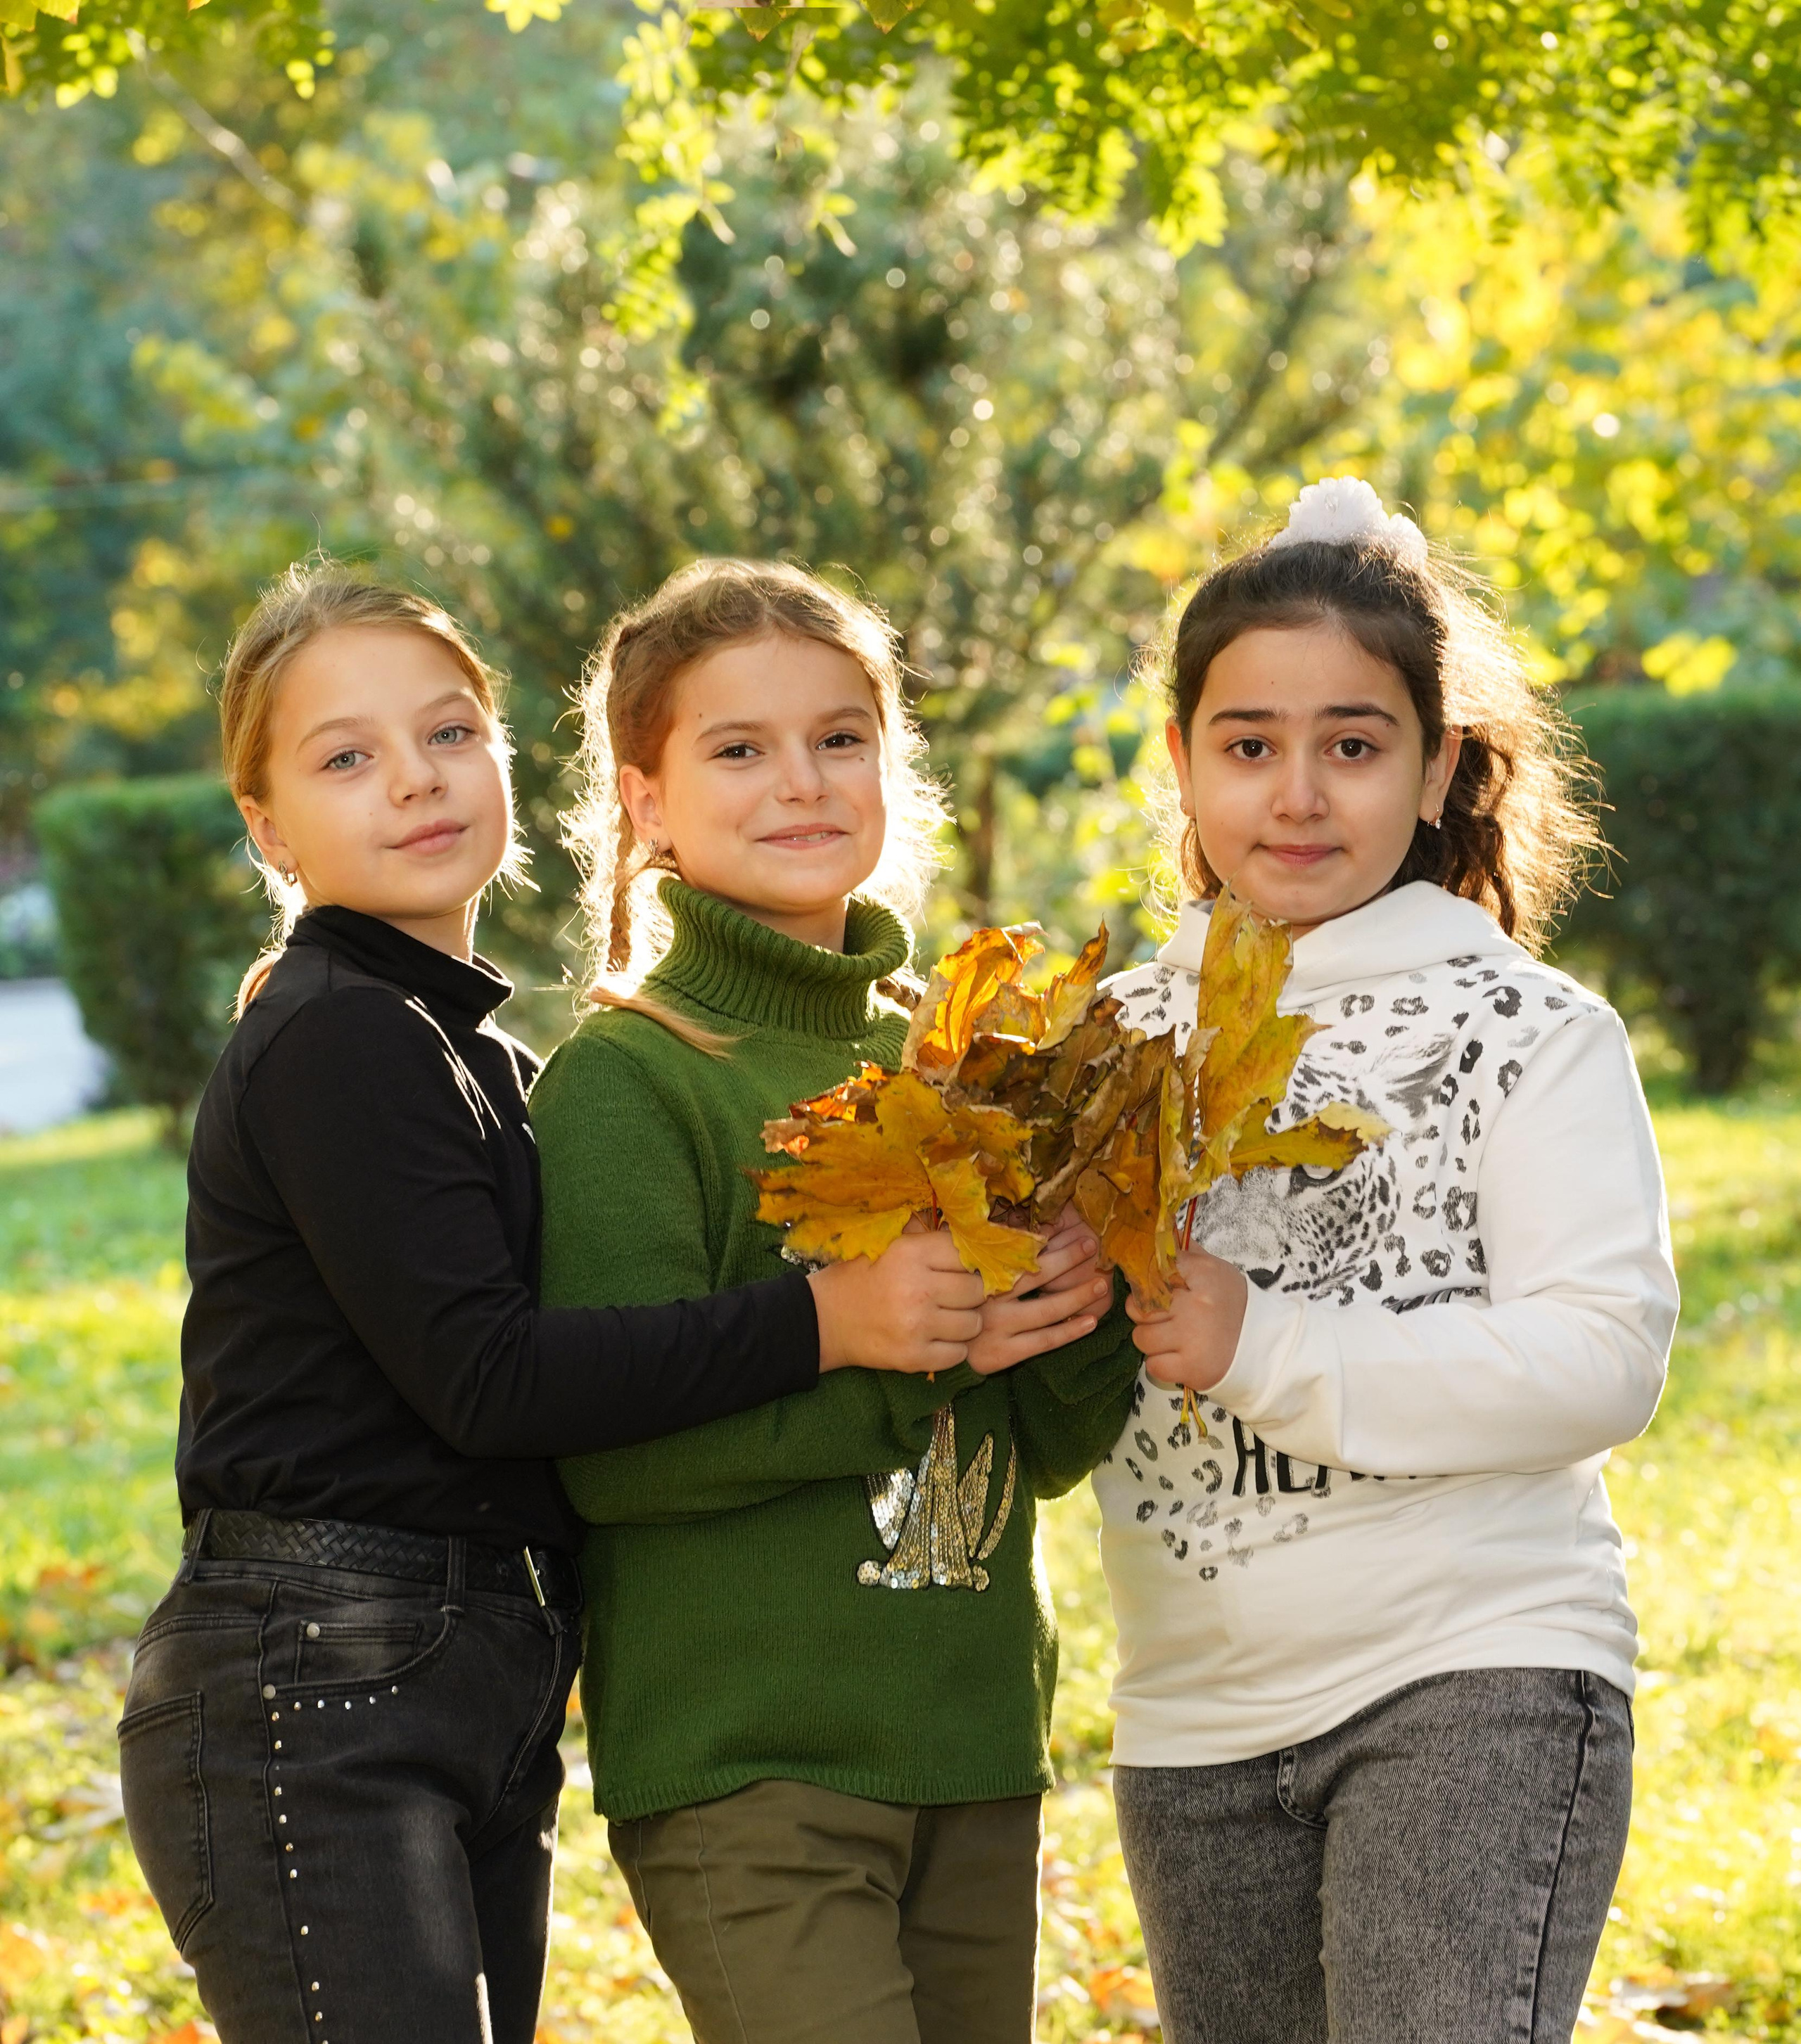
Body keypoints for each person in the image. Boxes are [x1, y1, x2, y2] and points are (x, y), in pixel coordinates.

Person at [117, 562, 1012, 2044]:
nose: (414, 782)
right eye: (348, 759)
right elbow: (489, 1379)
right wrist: (826, 1320)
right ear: (269, 829)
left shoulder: (471, 1054)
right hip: (317, 1677)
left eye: (449, 733)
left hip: (460, 1674)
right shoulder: (340, 1036)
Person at [1096, 478, 1680, 2044]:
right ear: (1181, 763)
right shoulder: (1111, 1050)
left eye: (1351, 745)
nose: (1295, 793)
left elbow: (1599, 1358)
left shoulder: (1528, 1029)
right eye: (1247, 744)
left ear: (1434, 772)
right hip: (1191, 1719)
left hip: (1468, 1680)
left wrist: (1264, 1344)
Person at [530, 557, 1140, 2044]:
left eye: (840, 737)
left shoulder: (963, 1064)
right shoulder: (630, 1078)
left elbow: (1045, 1448)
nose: (798, 781)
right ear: (647, 799)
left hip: (973, 1738)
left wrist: (1074, 1300)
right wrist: (880, 1351)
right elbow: (609, 1448)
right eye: (736, 748)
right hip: (754, 1765)